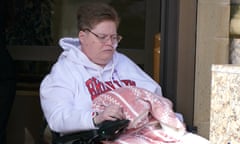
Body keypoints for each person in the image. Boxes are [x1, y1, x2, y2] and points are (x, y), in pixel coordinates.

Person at [40, 2, 163, 133]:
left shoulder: (122, 62)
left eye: (114, 37)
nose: (110, 44)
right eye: (102, 37)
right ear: (83, 37)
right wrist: (96, 118)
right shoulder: (65, 71)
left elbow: (156, 97)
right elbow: (57, 119)